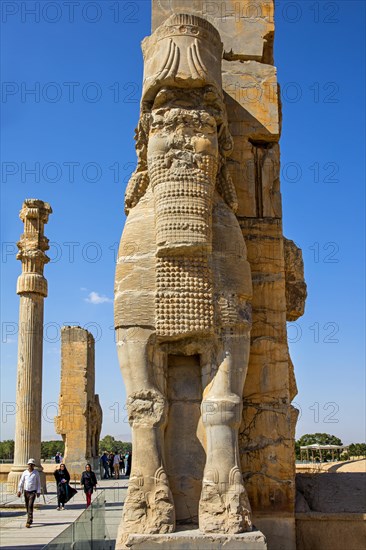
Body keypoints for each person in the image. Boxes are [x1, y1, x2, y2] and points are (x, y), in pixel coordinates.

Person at [17, 458, 41, 528]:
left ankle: (29, 521)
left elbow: (38, 483)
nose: (30, 466)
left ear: (34, 465)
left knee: (30, 505)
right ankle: (30, 516)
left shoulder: (36, 473)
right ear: (28, 465)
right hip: (26, 491)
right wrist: (19, 490)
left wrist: (38, 491)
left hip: (33, 492)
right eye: (29, 464)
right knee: (27, 505)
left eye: (32, 464)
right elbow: (21, 482)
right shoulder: (25, 473)